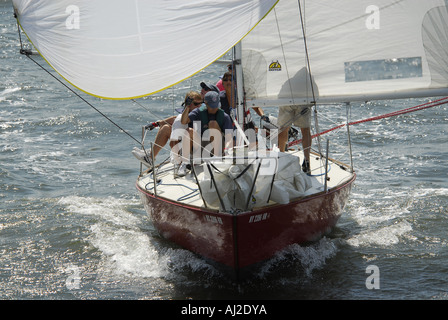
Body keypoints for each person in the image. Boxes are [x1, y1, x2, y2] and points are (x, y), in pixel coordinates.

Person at [132, 91, 203, 170]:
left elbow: (183, 121)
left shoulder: (197, 113)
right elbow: (174, 119)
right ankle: (150, 157)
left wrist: (189, 107)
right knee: (166, 128)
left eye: (201, 103)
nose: (199, 106)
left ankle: (181, 162)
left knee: (180, 133)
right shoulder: (187, 111)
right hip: (184, 142)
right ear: (188, 103)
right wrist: (155, 124)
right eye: (196, 104)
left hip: (195, 147)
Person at [181, 91, 233, 158]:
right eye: (212, 106)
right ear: (206, 103)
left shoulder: (225, 116)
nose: (214, 108)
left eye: (215, 105)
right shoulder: (198, 112)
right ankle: (185, 162)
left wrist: (227, 150)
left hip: (218, 148)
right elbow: (183, 121)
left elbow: (229, 138)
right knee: (189, 131)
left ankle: (216, 157)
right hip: (202, 146)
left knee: (213, 123)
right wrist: (188, 106)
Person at [277, 105, 312, 174]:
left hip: (286, 99)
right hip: (303, 99)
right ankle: (307, 162)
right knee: (305, 130)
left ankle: (281, 156)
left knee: (283, 128)